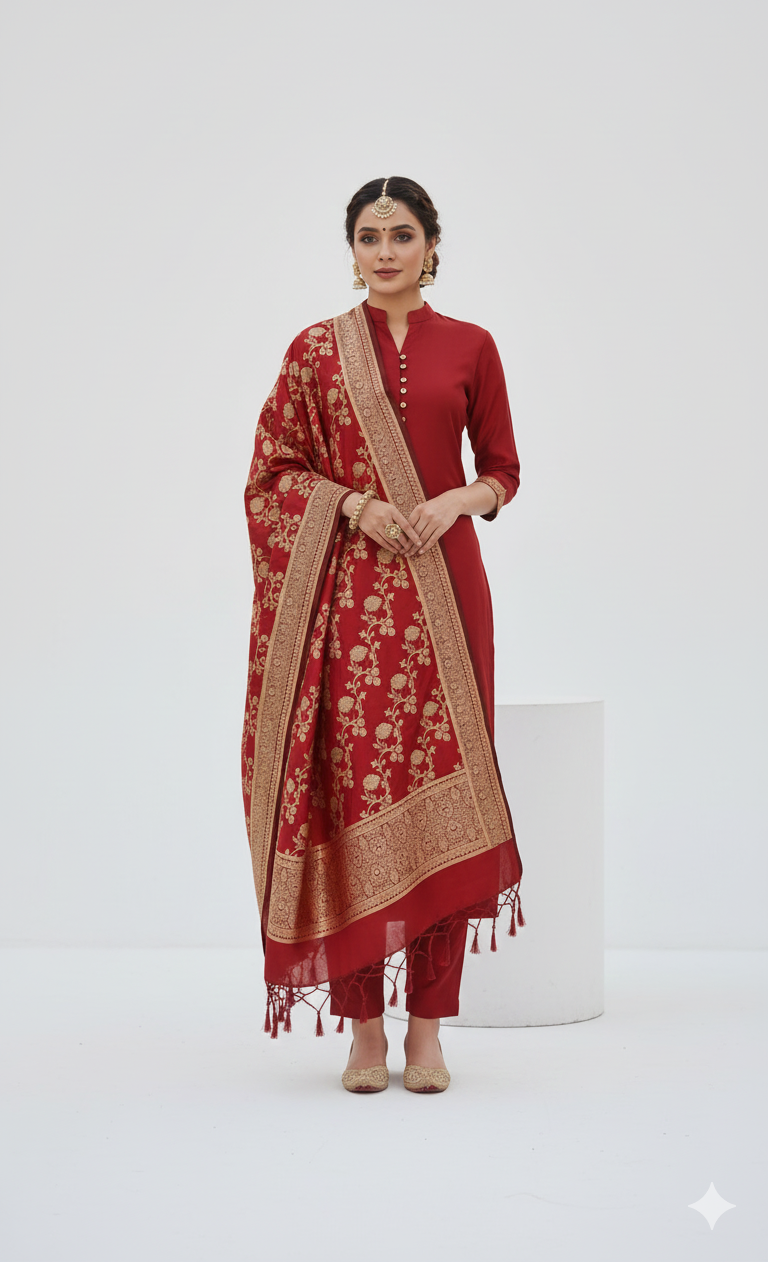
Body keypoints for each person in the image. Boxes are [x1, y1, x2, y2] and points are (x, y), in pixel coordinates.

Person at [242, 176, 524, 1094]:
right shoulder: (314, 353)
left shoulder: (471, 346)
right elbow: (271, 474)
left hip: (446, 593)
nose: (387, 251)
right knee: (350, 793)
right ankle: (365, 1031)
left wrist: (455, 500)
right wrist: (355, 504)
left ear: (432, 243)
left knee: (452, 787)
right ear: (352, 249)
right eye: (370, 236)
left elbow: (506, 472)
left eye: (403, 234)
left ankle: (430, 1032)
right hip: (346, 603)